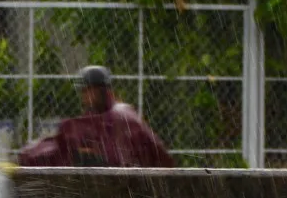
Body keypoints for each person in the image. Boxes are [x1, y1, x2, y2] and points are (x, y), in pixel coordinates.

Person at [17, 65, 175, 168]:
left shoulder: (121, 116)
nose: (85, 97)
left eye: (89, 91)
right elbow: (63, 144)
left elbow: (157, 152)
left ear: (103, 90)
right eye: (83, 92)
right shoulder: (95, 117)